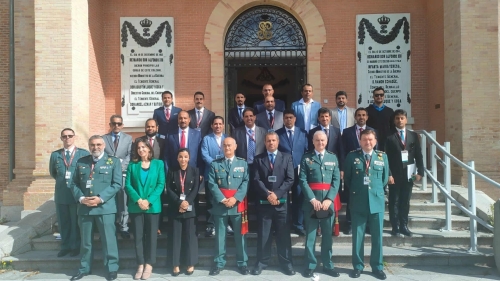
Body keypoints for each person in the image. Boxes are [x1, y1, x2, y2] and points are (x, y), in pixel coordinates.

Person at [69, 135, 121, 281]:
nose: (95, 147)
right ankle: (84, 268)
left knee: (108, 240)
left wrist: (100, 198)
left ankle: (112, 268)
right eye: (92, 145)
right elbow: (73, 184)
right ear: (89, 146)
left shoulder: (113, 162)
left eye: (98, 144)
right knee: (86, 241)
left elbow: (117, 184)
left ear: (103, 145)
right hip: (85, 207)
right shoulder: (81, 162)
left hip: (105, 208)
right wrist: (81, 198)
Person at [344, 129, 389, 280]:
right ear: (360, 141)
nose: (367, 142)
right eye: (364, 139)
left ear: (375, 141)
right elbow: (348, 180)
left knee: (377, 237)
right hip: (358, 202)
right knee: (358, 236)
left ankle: (377, 267)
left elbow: (383, 180)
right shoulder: (351, 157)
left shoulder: (382, 157)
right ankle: (358, 266)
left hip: (376, 201)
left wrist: (374, 192)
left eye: (370, 139)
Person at [251, 132, 295, 276]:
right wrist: (268, 194)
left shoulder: (287, 157)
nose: (271, 143)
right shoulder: (258, 159)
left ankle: (286, 263)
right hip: (264, 203)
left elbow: (290, 179)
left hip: (282, 204)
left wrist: (277, 194)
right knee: (264, 235)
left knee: (283, 235)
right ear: (264, 142)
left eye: (273, 140)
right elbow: (256, 179)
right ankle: (262, 262)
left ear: (278, 142)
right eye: (268, 141)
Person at [299, 130, 340, 278]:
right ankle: (310, 265)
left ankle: (328, 265)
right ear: (313, 141)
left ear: (326, 141)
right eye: (317, 140)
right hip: (311, 204)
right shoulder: (306, 158)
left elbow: (336, 181)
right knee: (310, 236)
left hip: (328, 204)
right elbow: (302, 180)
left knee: (327, 237)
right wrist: (312, 199)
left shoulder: (333, 158)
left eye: (323, 140)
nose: (320, 143)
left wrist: (329, 199)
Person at [207, 137, 249, 276]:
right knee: (220, 236)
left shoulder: (243, 163)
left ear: (235, 146)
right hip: (221, 205)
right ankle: (219, 263)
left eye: (230, 145)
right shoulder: (215, 164)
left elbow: (245, 182)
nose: (227, 148)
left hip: (237, 205)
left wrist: (235, 198)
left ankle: (242, 263)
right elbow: (212, 184)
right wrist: (223, 199)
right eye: (224, 145)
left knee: (240, 236)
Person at [124, 139, 165, 280]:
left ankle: (149, 264)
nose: (141, 150)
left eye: (143, 147)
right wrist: (139, 200)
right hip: (136, 206)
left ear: (149, 149)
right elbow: (128, 185)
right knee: (138, 237)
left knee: (152, 237)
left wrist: (148, 201)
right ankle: (140, 263)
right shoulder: (132, 165)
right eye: (138, 148)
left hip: (152, 207)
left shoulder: (158, 164)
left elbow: (160, 184)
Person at [49, 128, 89, 257]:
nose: (67, 138)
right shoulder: (55, 155)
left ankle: (75, 246)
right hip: (61, 194)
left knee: (75, 222)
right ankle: (65, 246)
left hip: (76, 194)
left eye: (70, 136)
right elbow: (53, 173)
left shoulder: (83, 154)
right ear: (61, 138)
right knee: (63, 221)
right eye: (64, 136)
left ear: (74, 137)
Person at [385, 109, 424, 237]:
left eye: (402, 118)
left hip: (409, 173)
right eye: (397, 118)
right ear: (394, 120)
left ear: (406, 120)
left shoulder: (413, 135)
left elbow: (418, 154)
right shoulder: (388, 136)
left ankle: (404, 225)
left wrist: (420, 172)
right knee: (394, 200)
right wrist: (389, 174)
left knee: (405, 201)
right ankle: (395, 226)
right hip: (394, 174)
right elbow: (385, 157)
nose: (400, 120)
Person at [341, 108, 377, 234]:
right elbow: (343, 151)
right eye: (358, 115)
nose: (361, 117)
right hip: (353, 169)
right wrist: (343, 168)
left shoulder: (373, 131)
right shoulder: (347, 132)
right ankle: (350, 223)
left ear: (367, 117)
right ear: (355, 117)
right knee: (352, 196)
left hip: (369, 169)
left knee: (368, 197)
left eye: (363, 115)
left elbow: (377, 151)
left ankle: (367, 224)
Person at [308, 107, 344, 236]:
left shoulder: (336, 131)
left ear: (330, 117)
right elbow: (309, 150)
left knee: (330, 201)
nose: (324, 119)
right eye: (322, 117)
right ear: (318, 118)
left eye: (327, 116)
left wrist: (341, 169)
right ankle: (317, 227)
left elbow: (341, 150)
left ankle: (330, 225)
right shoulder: (312, 132)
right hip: (315, 172)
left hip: (331, 170)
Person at [165, 148, 200, 276]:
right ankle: (175, 264)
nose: (183, 159)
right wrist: (179, 203)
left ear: (189, 158)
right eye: (180, 157)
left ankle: (190, 263)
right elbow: (168, 188)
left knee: (190, 237)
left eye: (185, 157)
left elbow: (195, 188)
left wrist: (187, 202)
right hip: (176, 207)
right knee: (175, 237)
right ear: (177, 158)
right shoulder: (172, 171)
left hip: (190, 207)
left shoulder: (195, 171)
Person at [276, 109, 308, 236]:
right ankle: (282, 224)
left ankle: (298, 224)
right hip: (283, 170)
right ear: (283, 119)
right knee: (282, 197)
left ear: (295, 119)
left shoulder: (303, 133)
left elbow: (306, 150)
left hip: (299, 169)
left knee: (299, 197)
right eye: (286, 118)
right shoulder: (278, 134)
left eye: (291, 117)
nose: (288, 120)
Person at [102, 115, 133, 239]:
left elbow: (130, 155)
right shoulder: (103, 138)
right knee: (110, 200)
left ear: (122, 125)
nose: (116, 126)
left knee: (124, 200)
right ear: (110, 125)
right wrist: (112, 165)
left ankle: (124, 227)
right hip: (108, 174)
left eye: (119, 123)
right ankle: (111, 227)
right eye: (114, 123)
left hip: (123, 173)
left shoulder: (129, 138)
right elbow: (103, 154)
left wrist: (120, 166)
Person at [134, 118, 166, 235]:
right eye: (148, 126)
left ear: (157, 128)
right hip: (142, 172)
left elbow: (164, 158)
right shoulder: (138, 141)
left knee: (157, 200)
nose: (150, 128)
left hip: (157, 175)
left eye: (152, 126)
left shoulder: (162, 141)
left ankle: (157, 226)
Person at [201, 116, 228, 237]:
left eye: (220, 124)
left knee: (225, 200)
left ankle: (226, 224)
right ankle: (210, 226)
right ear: (212, 126)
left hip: (226, 176)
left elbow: (231, 152)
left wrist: (222, 167)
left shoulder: (227, 138)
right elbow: (204, 154)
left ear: (223, 125)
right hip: (211, 174)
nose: (217, 126)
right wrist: (215, 166)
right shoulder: (206, 139)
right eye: (215, 124)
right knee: (211, 201)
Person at [365, 87, 395, 151]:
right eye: (376, 95)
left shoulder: (390, 111)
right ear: (373, 96)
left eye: (381, 95)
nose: (379, 96)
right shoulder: (367, 111)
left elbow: (393, 128)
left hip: (386, 142)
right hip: (371, 141)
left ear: (384, 96)